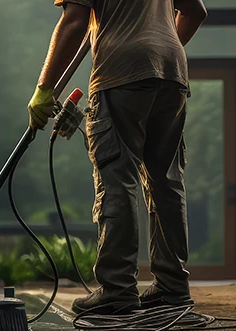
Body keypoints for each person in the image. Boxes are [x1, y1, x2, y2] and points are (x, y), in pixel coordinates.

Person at [27, 0, 209, 314]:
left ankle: (118, 289)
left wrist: (44, 88)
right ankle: (172, 288)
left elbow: (74, 22)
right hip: (172, 71)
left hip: (121, 72)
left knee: (117, 179)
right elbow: (195, 11)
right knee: (166, 182)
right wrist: (156, 49)